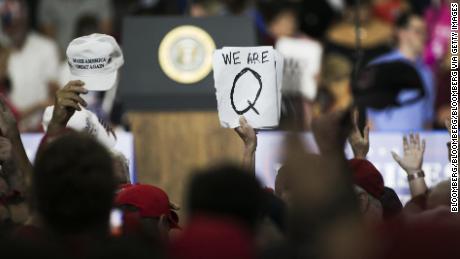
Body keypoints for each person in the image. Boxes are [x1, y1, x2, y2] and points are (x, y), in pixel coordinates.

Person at [366, 11, 435, 131]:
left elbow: (427, 118)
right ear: (402, 33)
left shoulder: (427, 72)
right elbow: (367, 112)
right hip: (383, 143)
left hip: (416, 145)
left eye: (425, 31)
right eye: (418, 31)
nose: (424, 36)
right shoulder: (379, 66)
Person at [0, 0, 60, 132]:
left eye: (16, 21)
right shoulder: (2, 53)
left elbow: (55, 94)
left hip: (39, 129)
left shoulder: (46, 47)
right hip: (6, 133)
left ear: (25, 19)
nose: (12, 27)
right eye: (8, 22)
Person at [38, 0, 114, 55]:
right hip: (60, 59)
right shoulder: (48, 2)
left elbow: (106, 35)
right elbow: (49, 41)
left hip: (95, 57)